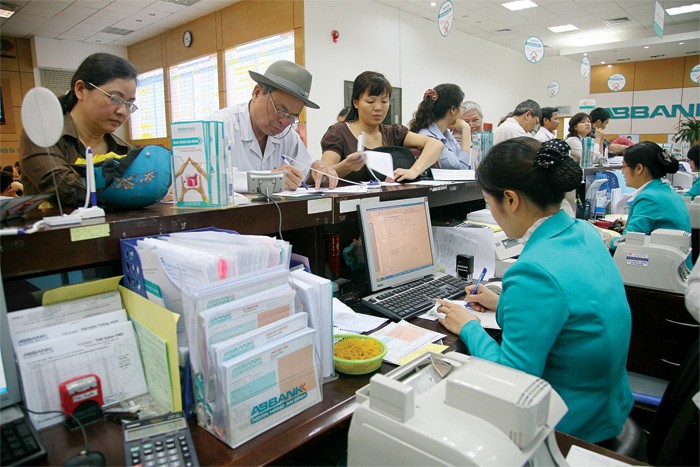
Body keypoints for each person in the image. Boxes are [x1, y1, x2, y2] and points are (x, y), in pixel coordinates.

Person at [436, 137, 633, 443]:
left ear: (511, 200)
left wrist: (470, 327)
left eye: (489, 203)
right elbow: (566, 312)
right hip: (607, 406)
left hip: (570, 428)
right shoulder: (583, 231)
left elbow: (512, 378)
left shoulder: (533, 272)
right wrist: (503, 302)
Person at [20, 53, 137, 208]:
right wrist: (131, 194)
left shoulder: (125, 150)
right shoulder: (42, 135)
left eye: (129, 104)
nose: (123, 111)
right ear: (81, 89)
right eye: (115, 98)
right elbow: (65, 188)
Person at [209, 60, 338, 192]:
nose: (284, 121)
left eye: (292, 116)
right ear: (257, 92)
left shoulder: (287, 135)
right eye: (280, 110)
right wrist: (271, 177)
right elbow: (212, 178)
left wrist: (317, 169)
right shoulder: (219, 127)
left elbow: (304, 173)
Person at [320, 71, 443, 183]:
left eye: (384, 101)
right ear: (356, 103)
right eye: (370, 101)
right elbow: (323, 176)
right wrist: (347, 165)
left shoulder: (394, 132)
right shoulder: (338, 133)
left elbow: (436, 145)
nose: (378, 108)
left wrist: (413, 171)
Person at [608, 141, 692, 268]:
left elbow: (628, 243)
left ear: (639, 168)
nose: (622, 172)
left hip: (664, 272)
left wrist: (607, 239)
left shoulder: (648, 198)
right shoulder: (665, 190)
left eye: (623, 167)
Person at [408, 84, 472, 170]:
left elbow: (463, 160)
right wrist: (466, 129)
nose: (462, 112)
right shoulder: (428, 137)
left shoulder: (446, 133)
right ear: (453, 109)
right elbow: (463, 168)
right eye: (462, 107)